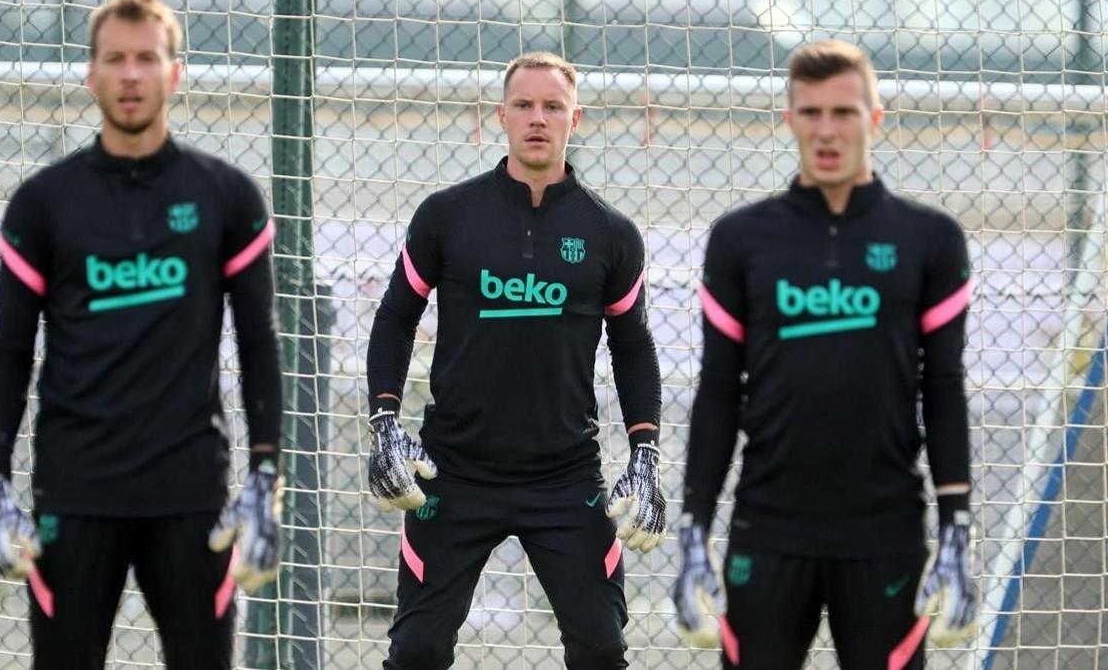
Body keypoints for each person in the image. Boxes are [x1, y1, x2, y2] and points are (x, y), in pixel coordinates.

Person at [0, 0, 283, 667]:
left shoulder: (225, 195)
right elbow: (9, 352)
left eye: (148, 58)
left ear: (176, 73)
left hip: (190, 495)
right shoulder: (44, 202)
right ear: (91, 75)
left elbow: (258, 341)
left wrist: (266, 476)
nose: (131, 75)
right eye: (115, 59)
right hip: (75, 493)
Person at [671, 40, 978, 669]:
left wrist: (958, 522)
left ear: (875, 117)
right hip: (770, 526)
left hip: (885, 532)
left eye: (843, 112)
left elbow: (942, 388)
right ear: (789, 120)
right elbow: (720, 391)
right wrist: (693, 521)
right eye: (810, 113)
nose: (827, 130)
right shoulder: (741, 239)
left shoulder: (930, 239)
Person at [365, 51, 666, 669]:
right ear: (498, 117)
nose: (538, 118)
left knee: (602, 646)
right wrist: (384, 424)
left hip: (564, 477)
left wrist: (646, 453)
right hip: (452, 470)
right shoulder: (447, 216)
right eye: (524, 106)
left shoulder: (610, 232)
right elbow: (396, 315)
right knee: (417, 649)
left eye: (552, 106)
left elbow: (633, 344)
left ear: (574, 119)